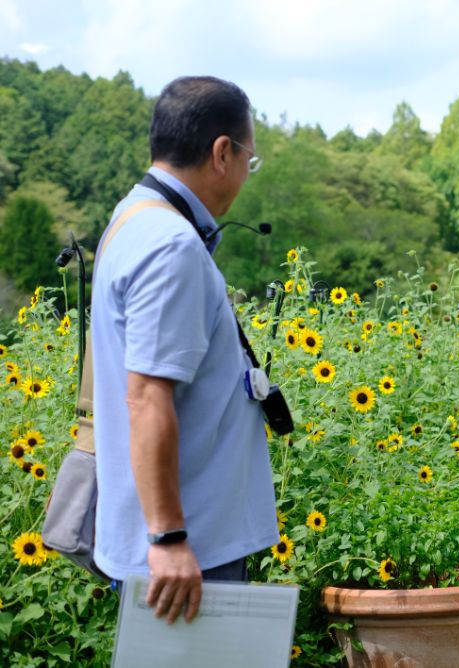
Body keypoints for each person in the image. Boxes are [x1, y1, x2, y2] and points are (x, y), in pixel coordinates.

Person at [91, 76, 278, 624]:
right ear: (224, 152)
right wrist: (169, 536)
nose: (246, 173)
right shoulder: (169, 244)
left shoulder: (134, 217)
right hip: (186, 548)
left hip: (174, 536)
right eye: (250, 158)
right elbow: (147, 397)